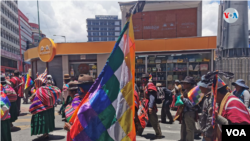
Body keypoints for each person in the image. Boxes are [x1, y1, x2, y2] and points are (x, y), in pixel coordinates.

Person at [29, 73, 61, 140]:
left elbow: (33, 98)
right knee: (47, 120)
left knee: (43, 121)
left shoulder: (39, 90)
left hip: (42, 108)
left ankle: (45, 133)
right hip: (50, 107)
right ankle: (46, 133)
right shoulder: (50, 88)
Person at [63, 74, 94, 141]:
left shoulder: (86, 106)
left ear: (81, 89)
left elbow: (83, 128)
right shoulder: (94, 100)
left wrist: (70, 128)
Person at [137, 74, 162, 139]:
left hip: (150, 106)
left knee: (154, 120)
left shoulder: (150, 85)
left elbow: (152, 97)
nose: (142, 80)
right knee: (142, 118)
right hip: (145, 106)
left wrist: (150, 107)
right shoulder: (145, 85)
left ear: (146, 79)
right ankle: (139, 132)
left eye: (143, 78)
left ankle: (159, 134)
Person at [179, 76, 197, 141]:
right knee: (183, 126)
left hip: (190, 112)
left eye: (185, 83)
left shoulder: (194, 92)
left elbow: (192, 104)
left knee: (189, 129)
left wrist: (183, 99)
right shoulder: (186, 91)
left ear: (189, 84)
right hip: (185, 111)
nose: (183, 85)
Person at [197, 76, 213, 141]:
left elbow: (211, 118)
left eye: (201, 86)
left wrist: (207, 134)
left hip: (209, 133)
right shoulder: (206, 96)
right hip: (205, 130)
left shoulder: (211, 99)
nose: (199, 88)